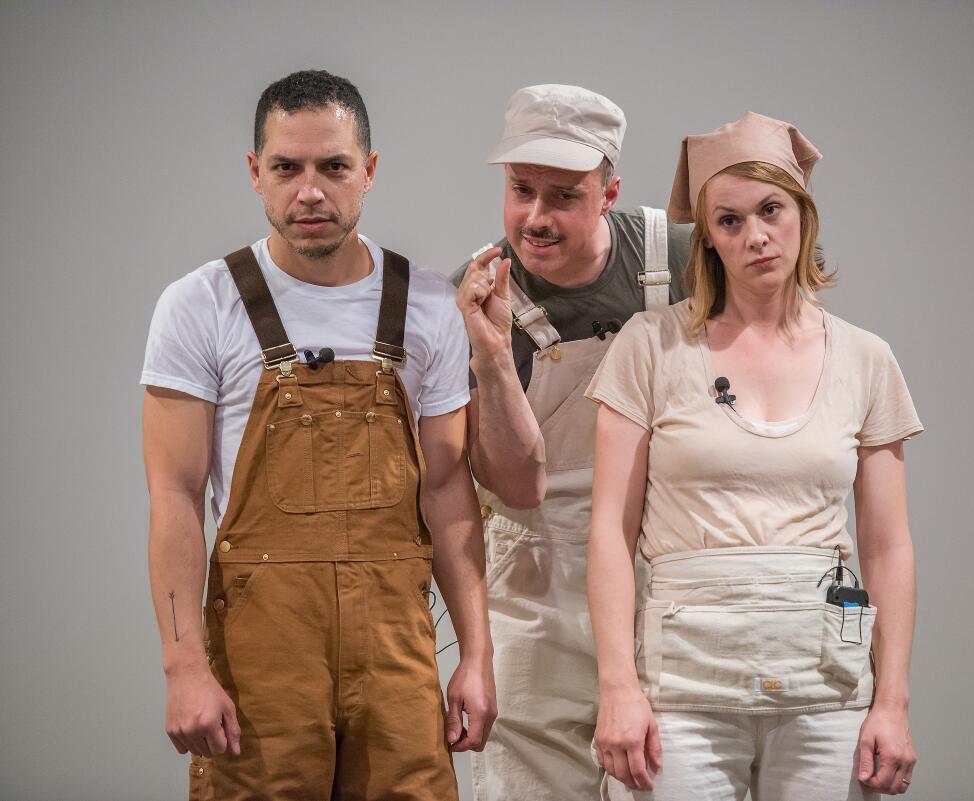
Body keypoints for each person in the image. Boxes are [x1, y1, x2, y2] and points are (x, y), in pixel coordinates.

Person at [141, 69, 495, 800]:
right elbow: (174, 495)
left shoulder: (426, 304)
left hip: (396, 654)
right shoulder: (200, 305)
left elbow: (450, 488)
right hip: (263, 658)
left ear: (368, 171)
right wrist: (184, 666)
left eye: (334, 166)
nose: (310, 191)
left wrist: (478, 653)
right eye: (286, 168)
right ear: (255, 174)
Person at [586, 112, 923, 800]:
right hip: (682, 687)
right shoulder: (651, 346)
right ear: (707, 235)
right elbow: (609, 535)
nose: (756, 236)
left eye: (771, 209)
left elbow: (887, 546)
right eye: (730, 220)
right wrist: (618, 685)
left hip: (825, 684)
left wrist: (892, 701)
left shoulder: (865, 358)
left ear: (803, 211)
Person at [452, 84, 692, 800]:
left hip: (666, 580)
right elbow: (514, 486)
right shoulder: (469, 297)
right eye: (522, 189)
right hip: (535, 583)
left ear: (610, 190)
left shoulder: (683, 262)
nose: (535, 217)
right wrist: (490, 353)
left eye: (564, 196)